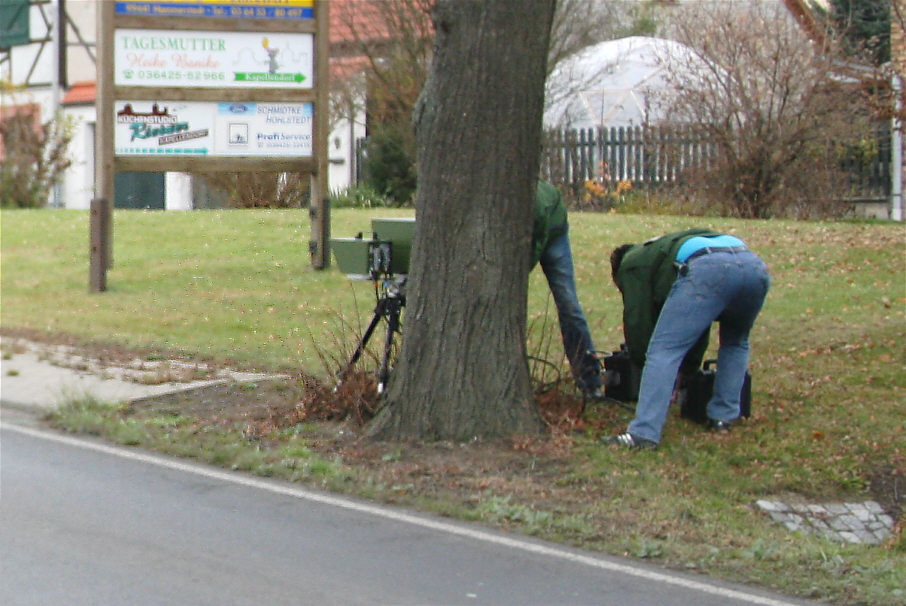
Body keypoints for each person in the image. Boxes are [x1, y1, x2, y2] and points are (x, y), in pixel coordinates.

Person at [605, 229, 770, 449]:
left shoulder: (631, 265)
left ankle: (644, 433)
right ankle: (723, 417)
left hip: (709, 269)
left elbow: (639, 322)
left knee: (663, 350)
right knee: (735, 342)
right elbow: (695, 325)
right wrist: (687, 369)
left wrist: (642, 361)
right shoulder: (663, 247)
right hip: (753, 266)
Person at [532, 180, 603, 401]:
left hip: (553, 234)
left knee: (569, 304)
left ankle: (590, 381)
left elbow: (536, 243)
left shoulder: (535, 206)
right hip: (539, 230)